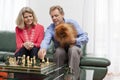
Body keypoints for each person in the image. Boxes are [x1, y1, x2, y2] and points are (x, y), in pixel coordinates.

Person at [38, 5, 88, 80]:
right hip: (61, 51)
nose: (54, 18)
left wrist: (75, 40)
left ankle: (73, 78)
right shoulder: (51, 28)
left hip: (75, 50)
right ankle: (58, 78)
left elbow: (85, 38)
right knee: (58, 51)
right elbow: (46, 40)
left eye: (56, 15)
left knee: (73, 49)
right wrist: (42, 49)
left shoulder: (72, 23)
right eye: (52, 16)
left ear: (62, 14)